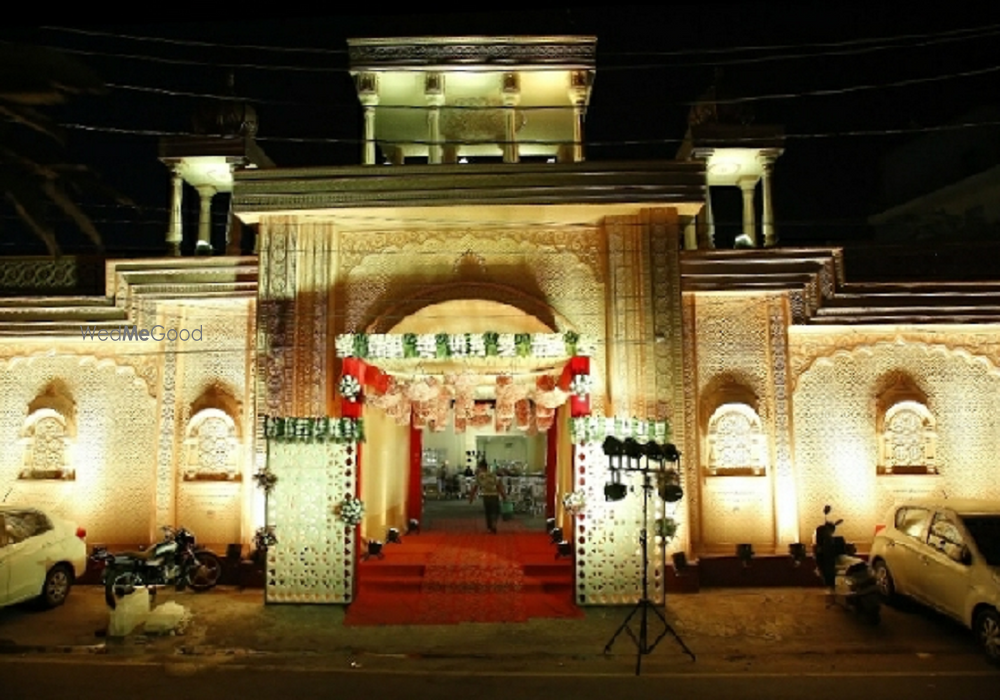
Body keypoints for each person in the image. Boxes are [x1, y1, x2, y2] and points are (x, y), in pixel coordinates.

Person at [468, 460, 506, 533]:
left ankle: (490, 527)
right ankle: (494, 524)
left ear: (481, 467)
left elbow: (475, 487)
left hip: (485, 496)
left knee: (488, 512)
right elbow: (499, 485)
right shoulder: (492, 474)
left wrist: (471, 497)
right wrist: (503, 495)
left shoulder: (480, 476)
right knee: (495, 511)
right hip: (494, 495)